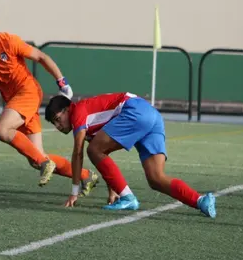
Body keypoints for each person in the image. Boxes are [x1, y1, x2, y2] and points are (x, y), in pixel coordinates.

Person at [0, 8, 99, 194]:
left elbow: (41, 57)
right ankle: (86, 175)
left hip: (28, 92)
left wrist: (61, 81)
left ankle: (44, 163)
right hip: (15, 101)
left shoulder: (9, 41)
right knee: (36, 158)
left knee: (1, 129)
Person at [44, 92, 216, 218]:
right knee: (156, 178)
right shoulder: (90, 122)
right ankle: (201, 201)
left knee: (93, 150)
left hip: (134, 111)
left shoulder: (78, 112)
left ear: (68, 109)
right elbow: (103, 155)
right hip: (151, 115)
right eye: (54, 123)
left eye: (58, 119)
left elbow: (78, 153)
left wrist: (74, 192)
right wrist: (113, 190)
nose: (58, 126)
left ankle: (127, 197)